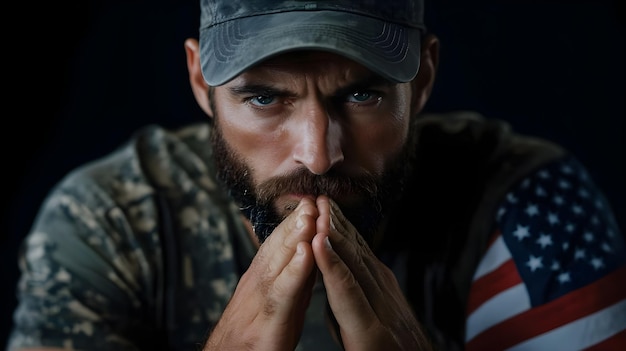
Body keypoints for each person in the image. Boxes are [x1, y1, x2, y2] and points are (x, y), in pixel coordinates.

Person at [6, 0, 626, 350]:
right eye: (263, 99)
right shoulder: (110, 221)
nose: (318, 155)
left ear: (424, 79)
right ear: (201, 83)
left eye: (362, 97)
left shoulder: (526, 203)